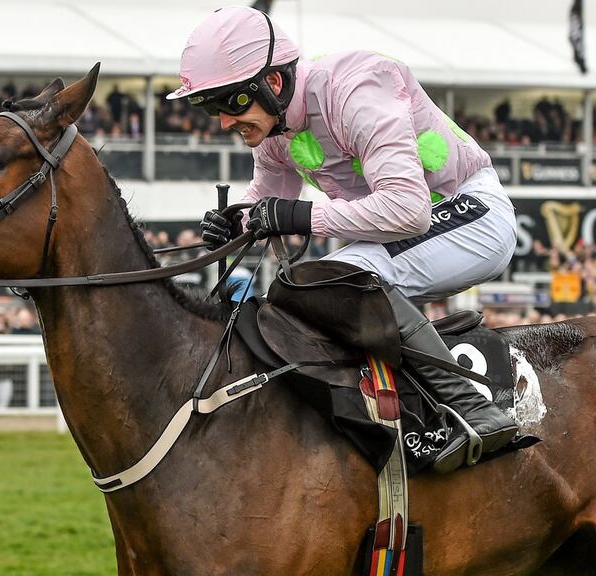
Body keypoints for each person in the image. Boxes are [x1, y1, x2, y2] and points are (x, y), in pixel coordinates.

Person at [168, 6, 519, 473]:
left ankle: (473, 409)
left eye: (230, 103)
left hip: (472, 214)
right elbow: (269, 200)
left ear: (272, 84)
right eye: (212, 108)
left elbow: (408, 211)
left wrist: (299, 215)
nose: (223, 123)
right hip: (416, 228)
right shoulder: (275, 130)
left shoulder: (354, 89)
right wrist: (239, 222)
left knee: (340, 274)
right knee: (306, 288)